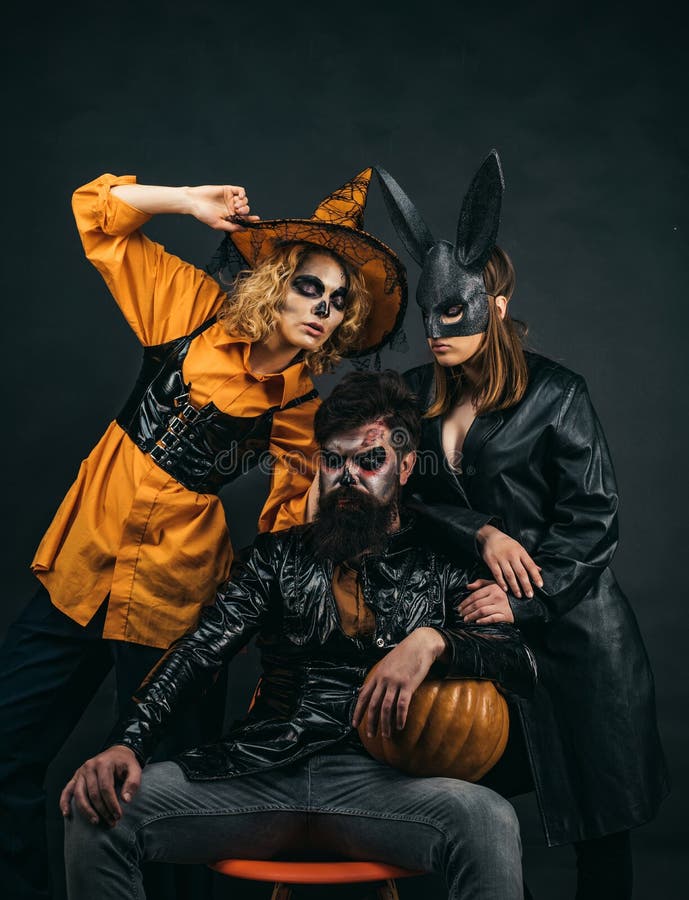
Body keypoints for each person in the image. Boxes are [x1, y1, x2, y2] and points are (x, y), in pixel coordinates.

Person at [0, 168, 407, 900]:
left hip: (172, 603)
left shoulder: (298, 410)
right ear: (276, 282)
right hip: (82, 571)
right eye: (310, 287)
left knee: (169, 797)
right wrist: (187, 203)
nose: (322, 308)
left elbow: (294, 522)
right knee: (5, 750)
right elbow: (97, 214)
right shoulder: (187, 311)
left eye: (339, 301)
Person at [59, 370, 537, 900]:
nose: (347, 477)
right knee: (94, 806)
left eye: (368, 461)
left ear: (404, 468)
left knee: (489, 818)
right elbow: (198, 653)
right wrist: (126, 742)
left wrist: (433, 641)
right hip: (262, 775)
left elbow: (518, 662)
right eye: (333, 461)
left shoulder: (441, 566)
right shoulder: (276, 557)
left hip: (383, 788)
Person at [374, 152, 670, 899]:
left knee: (600, 826)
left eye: (454, 312)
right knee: (475, 817)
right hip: (476, 639)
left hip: (575, 637)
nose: (436, 330)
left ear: (494, 306)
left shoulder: (557, 395)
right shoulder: (412, 396)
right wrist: (480, 533)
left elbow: (591, 520)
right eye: (427, 315)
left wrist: (527, 596)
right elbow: (400, 504)